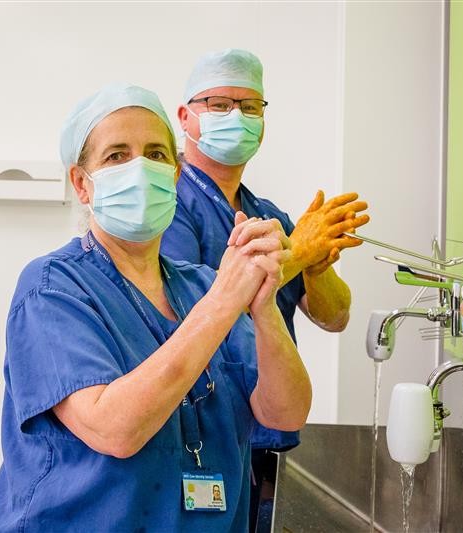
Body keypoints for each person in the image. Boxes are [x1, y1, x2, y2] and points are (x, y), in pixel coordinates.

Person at [0, 82, 312, 532]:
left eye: (156, 154)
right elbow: (115, 429)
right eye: (116, 156)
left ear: (175, 174)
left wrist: (265, 307)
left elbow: (285, 414)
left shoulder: (200, 285)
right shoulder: (52, 289)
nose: (140, 168)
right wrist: (224, 300)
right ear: (82, 184)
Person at [160, 48, 370, 525]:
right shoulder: (170, 207)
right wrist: (300, 250)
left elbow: (336, 315)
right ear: (185, 117)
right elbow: (196, 308)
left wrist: (314, 264)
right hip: (203, 429)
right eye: (219, 104)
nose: (236, 117)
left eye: (250, 106)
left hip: (267, 432)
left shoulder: (267, 215)